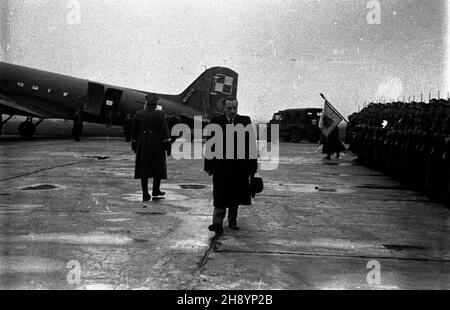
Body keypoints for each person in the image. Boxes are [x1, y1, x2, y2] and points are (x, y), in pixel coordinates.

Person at [204, 97, 258, 234]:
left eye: (235, 108)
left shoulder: (245, 121)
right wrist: (208, 166)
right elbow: (210, 145)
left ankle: (232, 221)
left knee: (235, 195)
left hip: (239, 167)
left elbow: (250, 145)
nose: (232, 111)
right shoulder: (216, 122)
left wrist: (253, 168)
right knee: (220, 195)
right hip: (221, 166)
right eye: (229, 108)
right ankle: (217, 223)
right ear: (224, 108)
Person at [131, 93, 171, 201]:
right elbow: (165, 132)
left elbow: (134, 133)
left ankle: (145, 193)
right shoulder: (160, 114)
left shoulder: (138, 114)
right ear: (155, 104)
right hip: (157, 144)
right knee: (157, 167)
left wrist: (134, 146)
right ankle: (156, 190)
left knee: (143, 168)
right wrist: (168, 147)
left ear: (146, 103)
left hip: (143, 144)